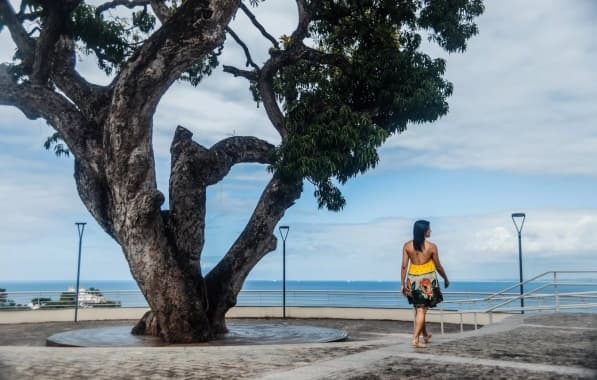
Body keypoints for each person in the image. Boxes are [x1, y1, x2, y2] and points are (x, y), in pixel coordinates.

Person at [401, 220, 449, 348]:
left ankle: (425, 335)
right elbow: (438, 266)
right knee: (422, 310)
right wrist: (445, 278)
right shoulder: (432, 246)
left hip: (412, 280)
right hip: (426, 280)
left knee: (420, 309)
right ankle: (415, 339)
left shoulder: (407, 246)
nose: (430, 231)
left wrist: (402, 284)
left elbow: (404, 266)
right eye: (429, 229)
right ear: (424, 231)